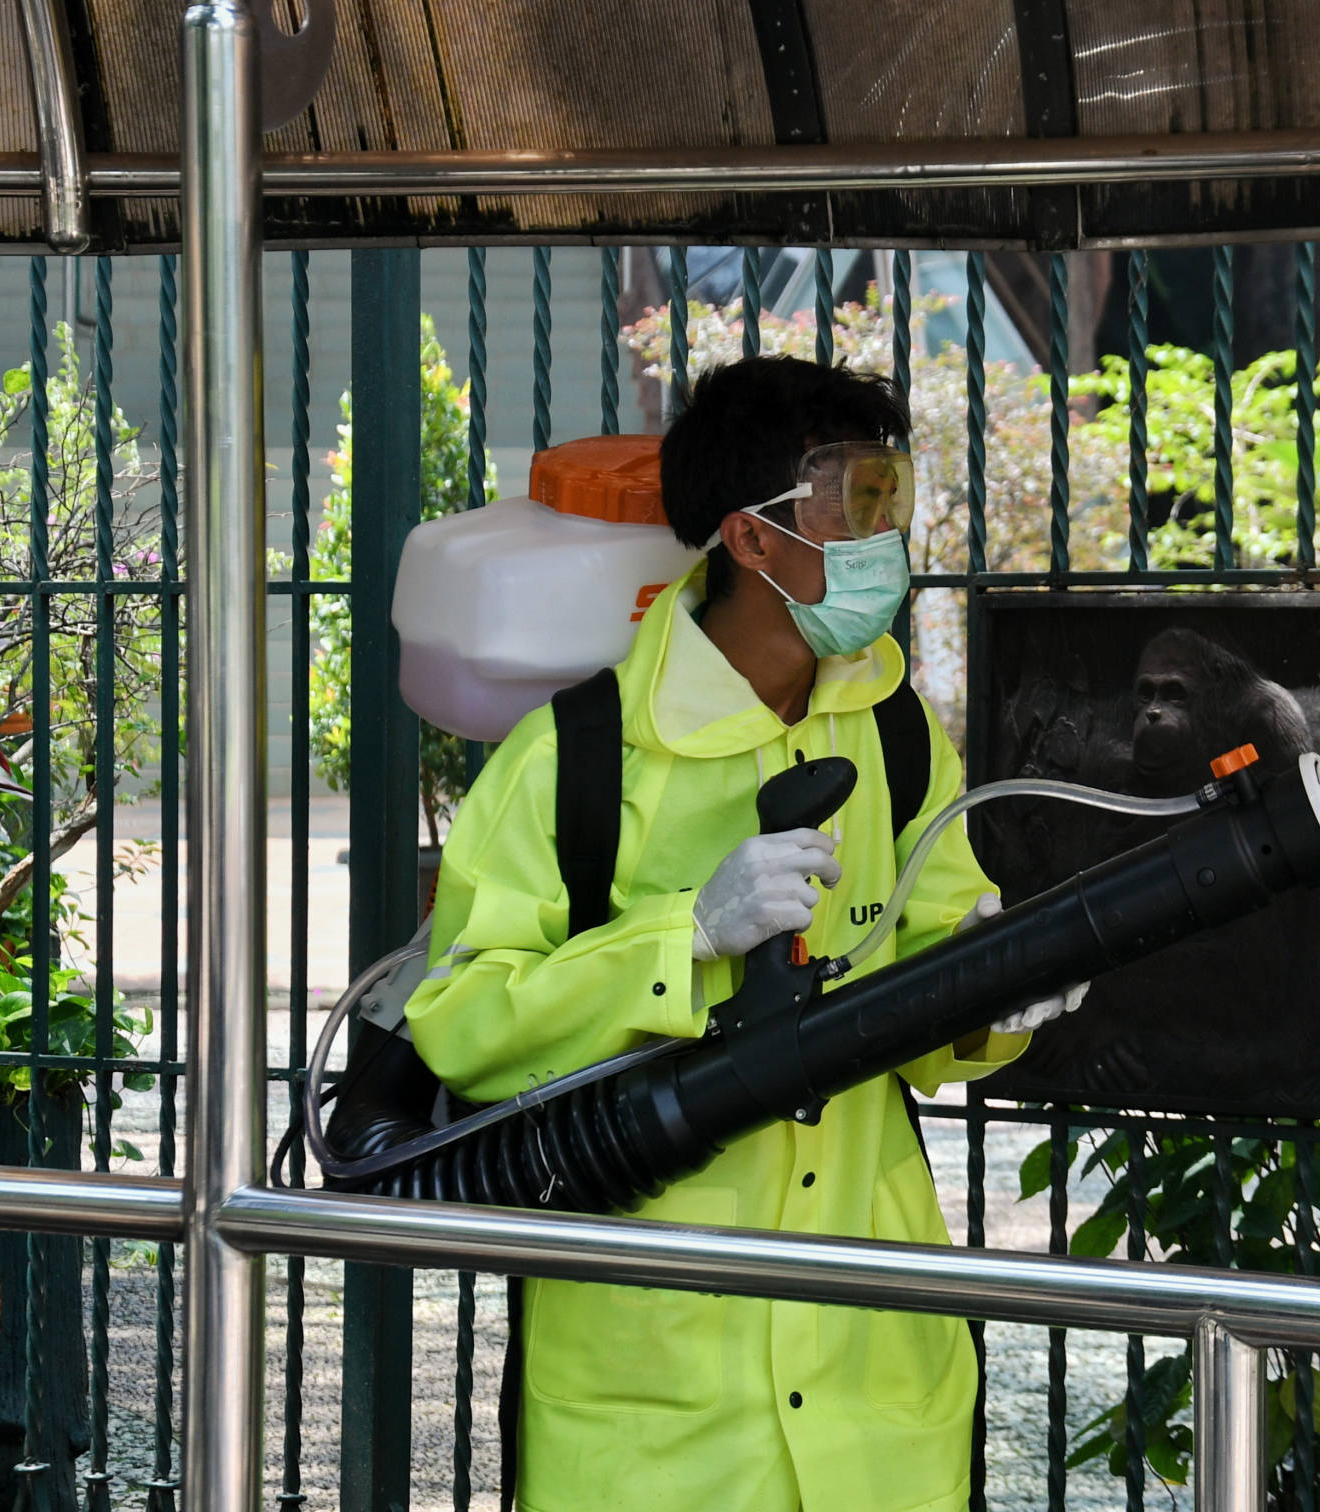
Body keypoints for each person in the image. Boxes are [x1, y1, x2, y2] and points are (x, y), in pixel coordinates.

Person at [407, 356, 1081, 1512]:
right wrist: (685, 936)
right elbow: (462, 1021)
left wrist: (990, 998)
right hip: (655, 1417)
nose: (884, 535)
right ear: (751, 538)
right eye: (850, 500)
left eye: (892, 496)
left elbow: (925, 1017)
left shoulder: (900, 734)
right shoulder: (578, 755)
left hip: (876, 1401)